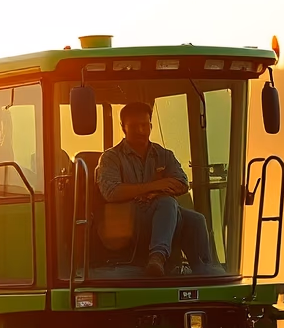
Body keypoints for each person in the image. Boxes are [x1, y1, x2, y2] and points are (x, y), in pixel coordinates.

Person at [95, 102, 222, 276]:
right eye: (134, 126)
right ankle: (157, 258)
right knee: (167, 203)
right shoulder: (110, 158)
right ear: (123, 128)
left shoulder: (164, 155)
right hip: (126, 220)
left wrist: (155, 193)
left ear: (151, 125)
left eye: (144, 125)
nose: (140, 130)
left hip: (161, 213)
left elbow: (182, 183)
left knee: (196, 219)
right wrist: (155, 186)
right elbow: (112, 192)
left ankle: (205, 270)